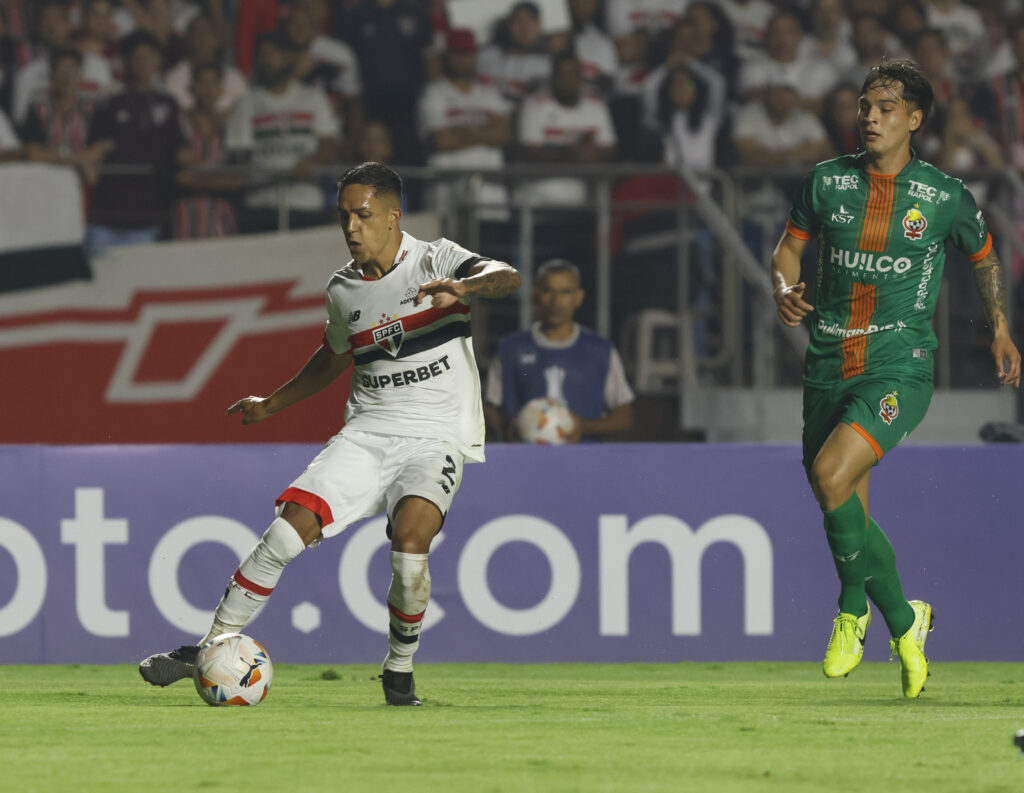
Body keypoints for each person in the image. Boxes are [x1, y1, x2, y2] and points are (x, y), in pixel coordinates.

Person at [138, 161, 522, 706]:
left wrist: (464, 286)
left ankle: (399, 670)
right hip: (367, 434)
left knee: (410, 550)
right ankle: (209, 647)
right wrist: (271, 404)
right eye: (344, 216)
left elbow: (509, 276)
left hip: (437, 437)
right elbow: (334, 357)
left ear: (393, 216)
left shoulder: (436, 259)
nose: (351, 228)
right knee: (284, 532)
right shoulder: (342, 289)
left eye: (362, 216)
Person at [770, 59, 1020, 698]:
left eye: (885, 108)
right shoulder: (826, 182)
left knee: (830, 475)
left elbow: (985, 255)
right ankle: (908, 624)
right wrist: (782, 285)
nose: (871, 117)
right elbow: (789, 247)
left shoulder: (942, 197)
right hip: (828, 360)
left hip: (900, 362)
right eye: (864, 106)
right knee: (838, 497)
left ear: (915, 119)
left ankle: (851, 609)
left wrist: (999, 326)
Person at [484, 258, 633, 443]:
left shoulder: (600, 350)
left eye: (565, 292)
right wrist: (509, 427)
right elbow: (489, 408)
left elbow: (624, 415)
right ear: (536, 296)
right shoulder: (511, 348)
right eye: (548, 291)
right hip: (526, 462)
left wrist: (583, 427)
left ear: (578, 298)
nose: (556, 301)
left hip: (583, 463)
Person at [225, 28, 339, 234]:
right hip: (261, 203)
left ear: (288, 57)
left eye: (273, 53)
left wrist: (311, 162)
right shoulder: (247, 102)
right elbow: (240, 152)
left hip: (306, 202)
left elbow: (328, 142)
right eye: (262, 55)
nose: (267, 60)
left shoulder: (313, 97)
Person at [85, 29, 190, 249]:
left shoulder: (169, 103)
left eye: (148, 56)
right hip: (108, 214)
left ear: (157, 61)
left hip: (150, 214)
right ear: (125, 61)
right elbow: (93, 150)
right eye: (136, 57)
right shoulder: (109, 102)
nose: (142, 63)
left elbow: (181, 150)